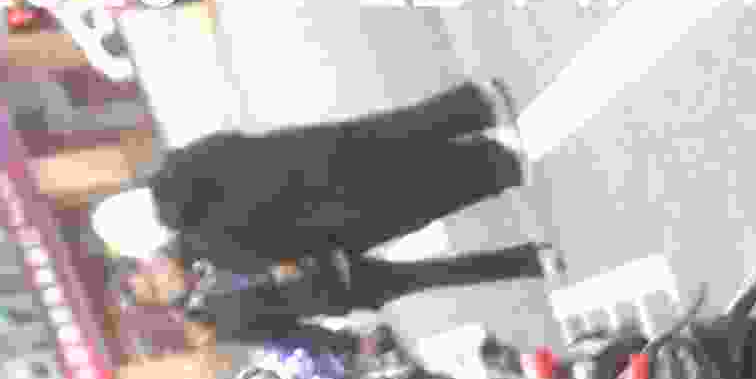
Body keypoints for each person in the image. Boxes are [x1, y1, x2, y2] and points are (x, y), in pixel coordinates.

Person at [90, 80, 525, 268]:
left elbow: (282, 248)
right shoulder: (178, 167)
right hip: (304, 152)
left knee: (419, 195)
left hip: (331, 211)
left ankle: (498, 163)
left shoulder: (210, 245)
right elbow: (228, 143)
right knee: (392, 132)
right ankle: (476, 103)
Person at [122, 241, 552, 346]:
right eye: (154, 291)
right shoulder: (207, 320)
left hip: (318, 239)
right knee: (430, 276)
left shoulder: (191, 247)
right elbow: (283, 332)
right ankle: (528, 260)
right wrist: (348, 344)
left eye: (150, 275)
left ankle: (489, 165)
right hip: (332, 289)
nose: (160, 280)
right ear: (159, 303)